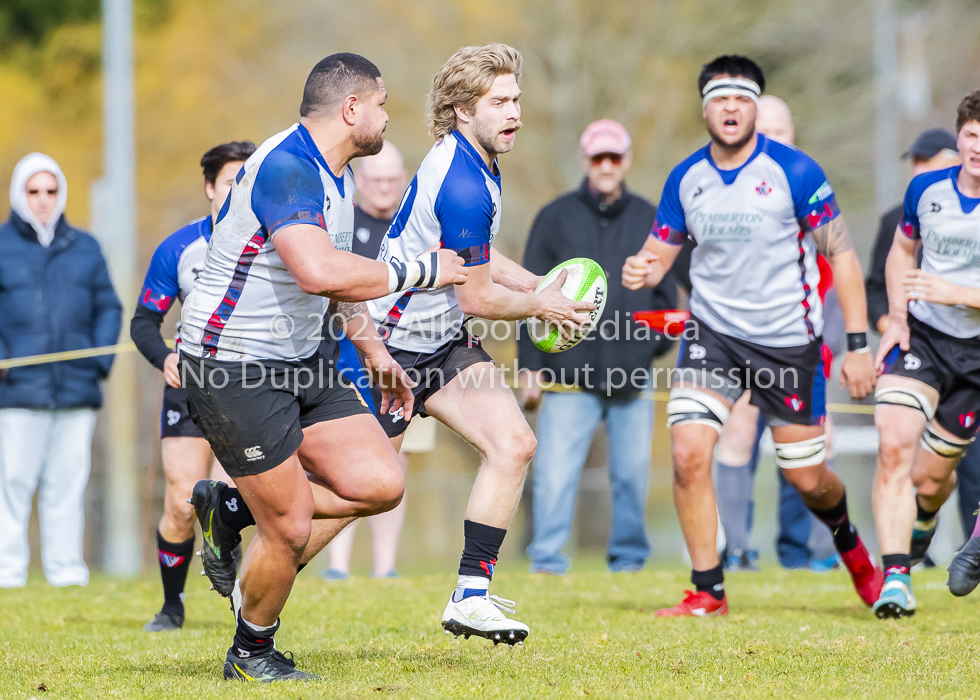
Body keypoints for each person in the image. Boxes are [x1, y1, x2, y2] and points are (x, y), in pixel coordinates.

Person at [180, 53, 468, 681]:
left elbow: (327, 286)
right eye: (383, 104)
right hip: (234, 365)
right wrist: (422, 270)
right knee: (289, 527)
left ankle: (229, 511)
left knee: (381, 483)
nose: (388, 117)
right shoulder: (288, 168)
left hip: (301, 357)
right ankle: (251, 652)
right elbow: (318, 269)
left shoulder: (334, 171)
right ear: (351, 110)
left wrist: (375, 352)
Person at [318, 43, 590, 646]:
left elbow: (480, 265)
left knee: (514, 444)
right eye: (499, 102)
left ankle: (472, 596)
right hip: (391, 349)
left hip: (442, 343)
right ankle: (241, 527)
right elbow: (480, 297)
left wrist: (542, 284)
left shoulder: (478, 160)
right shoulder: (464, 180)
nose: (514, 110)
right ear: (464, 111)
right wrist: (543, 303)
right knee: (357, 494)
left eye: (516, 98)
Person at [622, 55, 879, 617]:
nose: (731, 108)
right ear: (705, 108)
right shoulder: (685, 178)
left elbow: (845, 256)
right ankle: (708, 589)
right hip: (712, 335)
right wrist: (643, 267)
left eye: (742, 98)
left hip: (788, 342)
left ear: (757, 107)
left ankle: (849, 541)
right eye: (719, 98)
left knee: (807, 477)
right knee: (689, 454)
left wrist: (858, 347)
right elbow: (660, 251)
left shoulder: (796, 171)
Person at [518, 119, 677, 575]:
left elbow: (667, 302)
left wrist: (648, 350)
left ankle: (629, 559)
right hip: (569, 376)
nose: (606, 165)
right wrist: (532, 368)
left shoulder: (653, 219)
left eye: (614, 157)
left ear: (626, 160)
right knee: (553, 474)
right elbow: (530, 298)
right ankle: (547, 559)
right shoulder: (554, 218)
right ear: (585, 161)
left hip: (632, 376)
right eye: (597, 157)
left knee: (630, 476)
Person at [130, 140, 255, 631]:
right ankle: (171, 607)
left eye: (247, 183)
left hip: (246, 385)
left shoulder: (272, 244)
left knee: (230, 494)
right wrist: (164, 358)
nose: (239, 192)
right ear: (209, 188)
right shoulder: (179, 247)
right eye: (230, 183)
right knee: (182, 497)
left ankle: (246, 604)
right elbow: (144, 321)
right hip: (188, 387)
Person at [711, 95, 839, 572]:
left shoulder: (809, 188)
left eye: (780, 130)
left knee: (811, 451)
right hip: (740, 345)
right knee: (737, 436)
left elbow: (835, 274)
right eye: (763, 129)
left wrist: (834, 347)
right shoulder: (723, 193)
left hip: (803, 347)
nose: (770, 139)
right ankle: (739, 548)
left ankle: (819, 551)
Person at [872, 92, 980, 615]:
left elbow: (949, 287)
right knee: (893, 443)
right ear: (959, 138)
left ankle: (924, 520)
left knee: (930, 479)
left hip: (975, 357)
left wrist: (957, 293)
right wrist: (896, 317)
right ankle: (895, 577)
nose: (978, 147)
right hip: (923, 341)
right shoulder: (925, 189)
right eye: (972, 136)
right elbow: (901, 250)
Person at [0, 152, 122, 588]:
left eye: (51, 191)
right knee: (13, 481)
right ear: (19, 193)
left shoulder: (85, 246)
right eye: (34, 191)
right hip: (18, 391)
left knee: (68, 485)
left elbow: (109, 306)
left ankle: (67, 572)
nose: (43, 200)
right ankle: (8, 572)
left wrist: (98, 360)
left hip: (76, 389)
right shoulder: (2, 245)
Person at [324, 141, 431, 580]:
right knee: (346, 461)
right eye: (377, 180)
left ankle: (385, 565)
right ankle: (338, 565)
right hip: (349, 360)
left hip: (413, 361)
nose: (386, 188)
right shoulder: (345, 225)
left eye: (393, 180)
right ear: (361, 183)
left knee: (397, 464)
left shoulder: (418, 226)